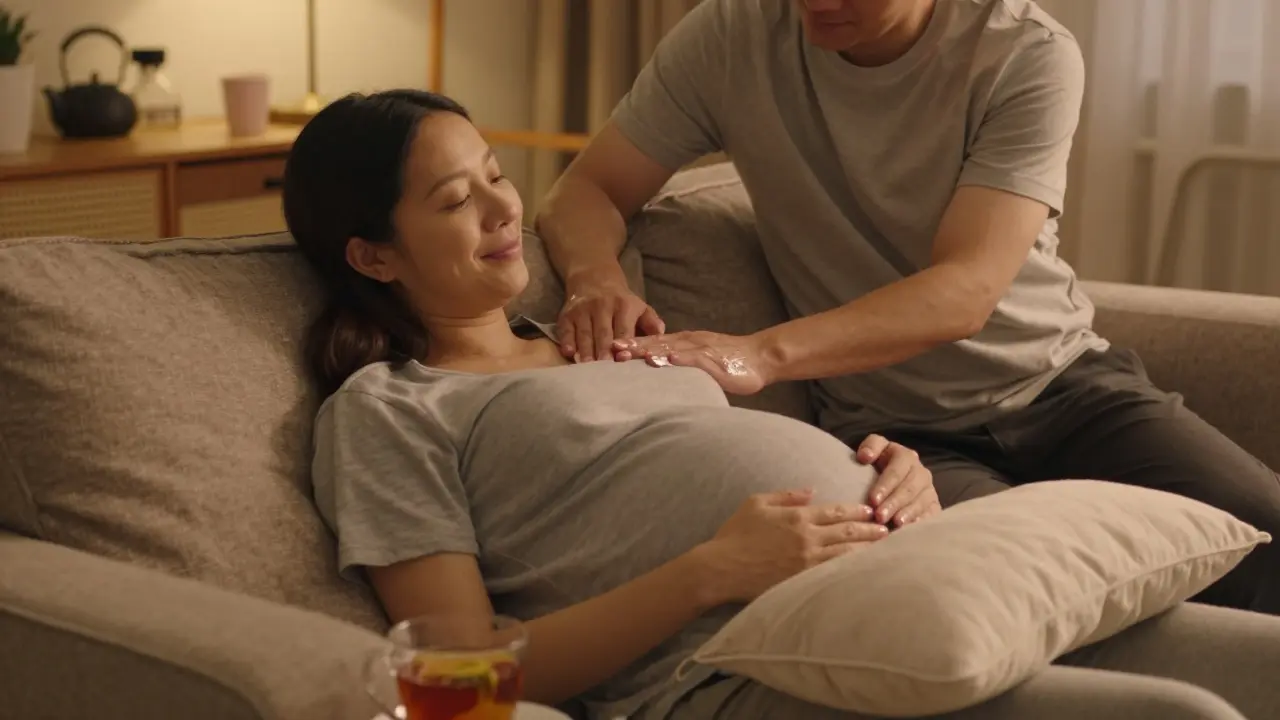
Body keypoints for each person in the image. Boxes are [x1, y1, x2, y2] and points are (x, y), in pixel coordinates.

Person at [282, 89, 1280, 720]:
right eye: (455, 202)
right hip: (737, 669)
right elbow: (459, 678)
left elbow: (757, 467)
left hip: (919, 580)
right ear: (371, 254)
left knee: (1262, 665)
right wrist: (708, 572)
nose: (505, 211)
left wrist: (892, 471)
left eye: (496, 177)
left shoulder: (597, 337)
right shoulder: (388, 410)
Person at [533, 0, 1280, 616]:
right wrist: (596, 277)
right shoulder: (731, 34)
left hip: (1064, 386)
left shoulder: (1023, 51)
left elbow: (965, 290)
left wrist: (760, 353)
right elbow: (587, 189)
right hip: (897, 437)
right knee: (1013, 595)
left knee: (1262, 534)